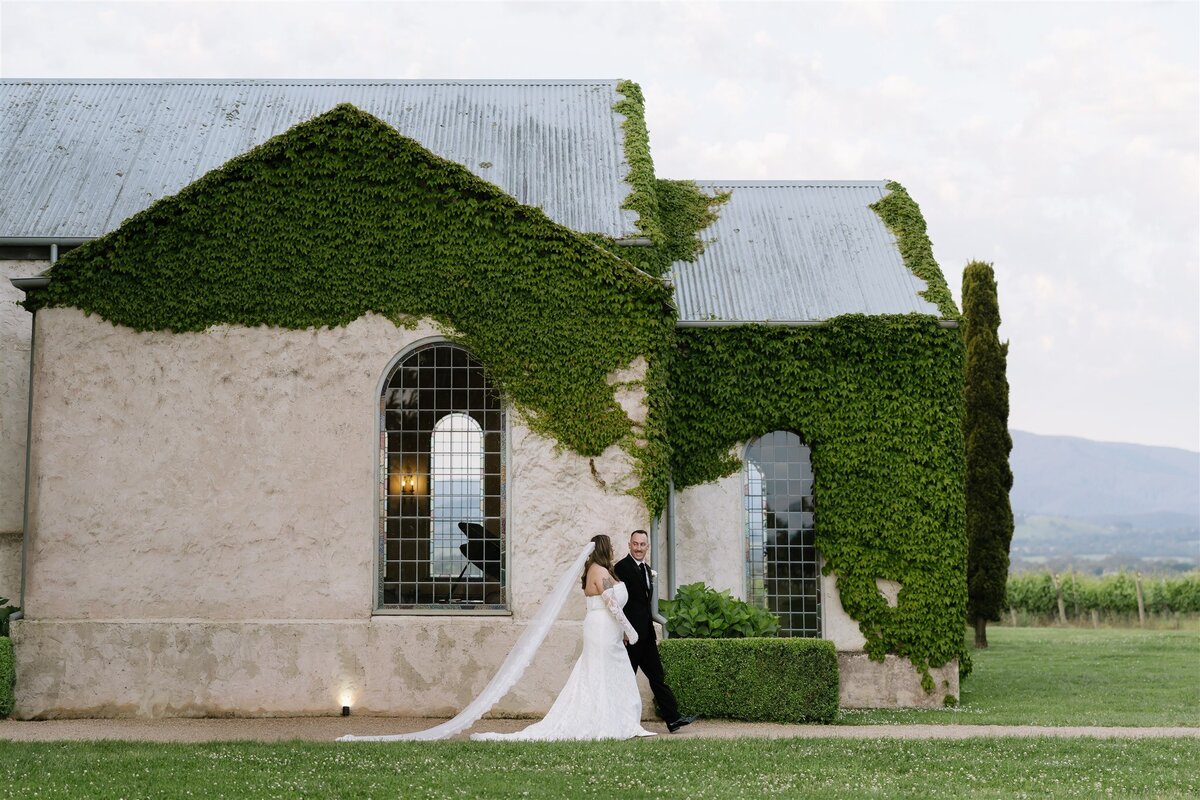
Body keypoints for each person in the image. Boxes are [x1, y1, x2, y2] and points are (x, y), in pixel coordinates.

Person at [469, 534, 655, 741]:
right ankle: (604, 721)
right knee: (601, 674)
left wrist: (622, 632)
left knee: (614, 673)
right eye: (610, 546)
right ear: (604, 549)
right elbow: (612, 605)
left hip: (609, 630)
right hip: (602, 629)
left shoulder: (603, 570)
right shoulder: (599, 571)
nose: (613, 549)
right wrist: (630, 630)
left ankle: (622, 719)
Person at [614, 529, 696, 733]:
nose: (639, 548)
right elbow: (617, 602)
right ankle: (617, 720)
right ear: (629, 545)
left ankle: (674, 719)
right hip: (631, 636)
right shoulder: (621, 568)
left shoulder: (647, 569)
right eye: (635, 544)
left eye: (643, 544)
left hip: (647, 635)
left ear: (647, 547)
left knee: (657, 676)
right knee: (625, 678)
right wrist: (624, 631)